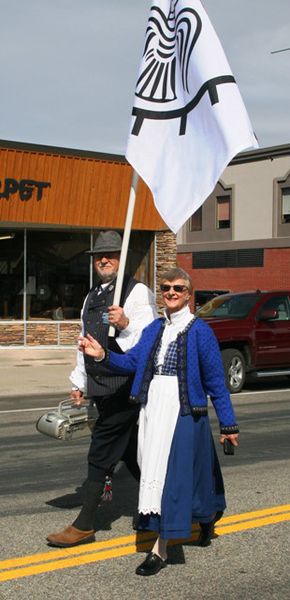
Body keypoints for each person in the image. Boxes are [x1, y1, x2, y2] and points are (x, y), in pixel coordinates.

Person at [77, 267, 239, 576]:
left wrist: (228, 426)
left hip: (183, 413)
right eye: (165, 288)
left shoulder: (200, 331)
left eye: (178, 288)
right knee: (175, 473)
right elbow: (130, 362)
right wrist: (101, 356)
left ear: (189, 294)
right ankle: (207, 516)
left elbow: (217, 384)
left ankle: (160, 550)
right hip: (152, 410)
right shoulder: (153, 329)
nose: (171, 293)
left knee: (172, 478)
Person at [46, 230, 158, 547]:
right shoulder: (92, 295)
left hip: (125, 388)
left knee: (100, 453)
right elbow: (84, 341)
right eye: (99, 256)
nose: (103, 260)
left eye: (110, 255)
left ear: (123, 261)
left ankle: (84, 524)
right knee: (133, 455)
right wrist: (79, 381)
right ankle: (162, 506)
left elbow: (146, 344)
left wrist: (125, 325)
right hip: (100, 389)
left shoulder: (138, 294)